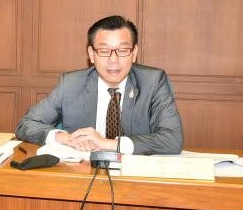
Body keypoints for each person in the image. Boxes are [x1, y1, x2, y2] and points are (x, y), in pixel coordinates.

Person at [15, 15, 183, 154]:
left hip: (134, 175)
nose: (113, 60)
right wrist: (66, 138)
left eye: (122, 50)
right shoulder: (71, 84)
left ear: (134, 53)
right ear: (91, 54)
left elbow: (173, 139)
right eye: (104, 51)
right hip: (83, 173)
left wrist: (106, 143)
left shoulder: (153, 82)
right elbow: (27, 124)